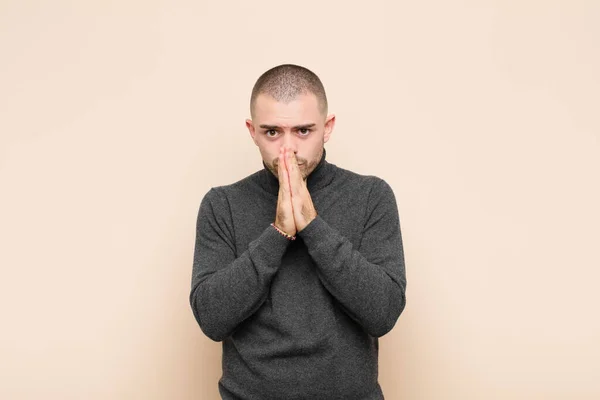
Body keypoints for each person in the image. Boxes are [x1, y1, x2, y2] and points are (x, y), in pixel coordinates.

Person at [189, 64, 407, 400]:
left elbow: (383, 313)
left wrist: (313, 227)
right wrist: (278, 233)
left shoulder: (371, 196)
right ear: (252, 130)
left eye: (303, 131)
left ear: (327, 127)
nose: (287, 150)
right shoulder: (222, 204)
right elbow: (212, 319)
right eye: (272, 132)